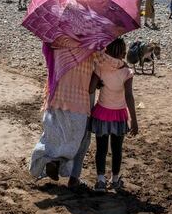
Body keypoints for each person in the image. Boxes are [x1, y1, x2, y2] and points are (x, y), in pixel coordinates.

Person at [29, 39, 124, 190]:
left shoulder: (58, 39)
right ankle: (73, 177)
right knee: (81, 139)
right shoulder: (92, 42)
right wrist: (122, 65)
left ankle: (51, 159)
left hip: (57, 95)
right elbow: (105, 61)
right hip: (80, 99)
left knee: (55, 132)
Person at [89, 38, 138, 192]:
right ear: (123, 53)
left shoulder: (100, 67)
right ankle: (115, 180)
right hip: (119, 115)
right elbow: (129, 96)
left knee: (101, 149)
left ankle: (101, 181)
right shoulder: (127, 72)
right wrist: (134, 121)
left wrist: (97, 83)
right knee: (117, 149)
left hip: (102, 113)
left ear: (107, 51)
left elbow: (91, 89)